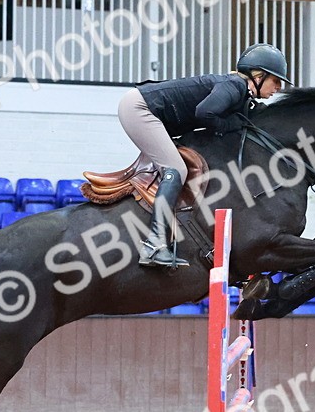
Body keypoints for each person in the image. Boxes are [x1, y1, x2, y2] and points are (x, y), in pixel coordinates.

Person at [118, 43, 290, 269]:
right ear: (258, 75)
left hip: (147, 108)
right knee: (176, 169)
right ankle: (155, 245)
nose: (278, 87)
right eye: (275, 80)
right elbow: (205, 112)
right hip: (139, 108)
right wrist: (229, 125)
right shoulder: (235, 85)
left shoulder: (241, 93)